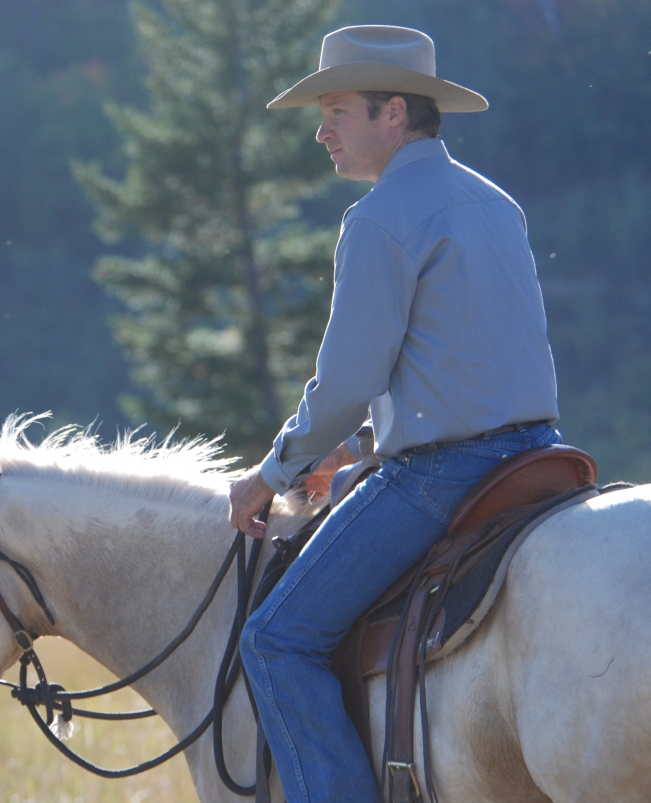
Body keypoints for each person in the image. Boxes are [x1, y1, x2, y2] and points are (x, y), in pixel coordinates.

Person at [228, 25, 560, 803]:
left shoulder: (377, 220)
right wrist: (368, 441)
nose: (322, 130)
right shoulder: (496, 203)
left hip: (441, 477)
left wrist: (271, 472)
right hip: (540, 454)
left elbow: (346, 376)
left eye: (338, 109)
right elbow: (476, 357)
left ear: (396, 114)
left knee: (275, 639)